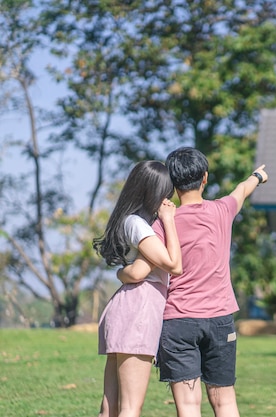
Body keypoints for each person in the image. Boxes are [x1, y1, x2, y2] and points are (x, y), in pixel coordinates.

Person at [119, 147, 268, 417]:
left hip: (178, 322)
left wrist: (122, 273)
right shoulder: (223, 210)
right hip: (220, 320)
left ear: (171, 184)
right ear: (205, 178)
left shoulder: (160, 224)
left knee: (188, 406)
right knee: (225, 402)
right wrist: (257, 176)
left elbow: (140, 270)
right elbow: (242, 189)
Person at [92, 160, 183, 417]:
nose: (169, 200)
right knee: (130, 408)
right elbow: (174, 265)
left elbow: (136, 271)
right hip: (139, 311)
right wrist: (169, 221)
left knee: (110, 408)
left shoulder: (132, 221)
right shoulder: (138, 224)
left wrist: (124, 272)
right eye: (166, 193)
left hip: (129, 305)